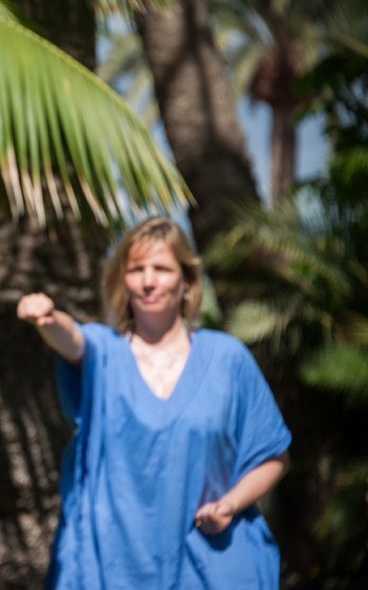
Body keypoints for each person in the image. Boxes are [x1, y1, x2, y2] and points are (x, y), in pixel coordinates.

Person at [17, 217, 290, 589]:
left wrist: (230, 504)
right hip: (111, 570)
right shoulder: (105, 352)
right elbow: (73, 339)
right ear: (122, 279)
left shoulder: (229, 359)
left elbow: (273, 455)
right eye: (136, 269)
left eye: (161, 269)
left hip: (212, 568)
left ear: (187, 281)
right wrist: (47, 319)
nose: (147, 281)